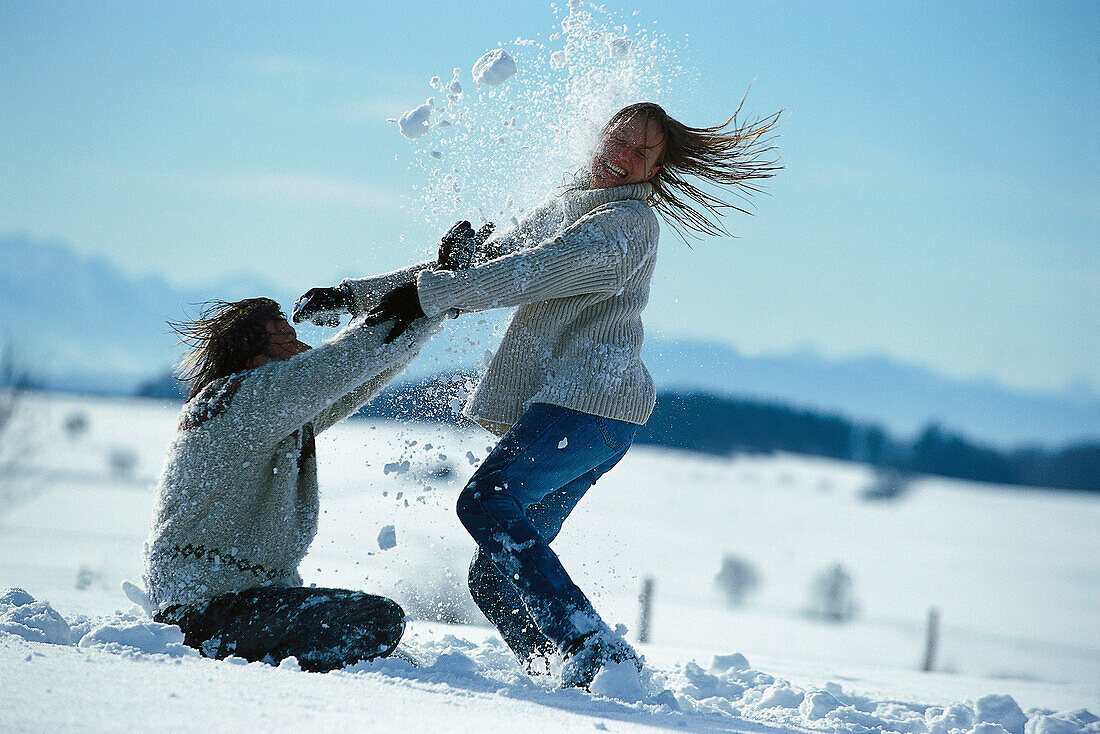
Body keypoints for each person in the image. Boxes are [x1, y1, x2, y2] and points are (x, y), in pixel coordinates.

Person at [296, 100, 781, 687]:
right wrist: (358, 295)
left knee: (484, 504)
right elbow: (485, 263)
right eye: (617, 138)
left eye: (640, 151)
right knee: (494, 573)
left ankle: (591, 646)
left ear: (656, 170)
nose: (620, 155)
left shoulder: (625, 227)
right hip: (594, 417)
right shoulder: (572, 209)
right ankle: (561, 675)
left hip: (588, 404)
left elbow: (534, 272)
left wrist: (435, 294)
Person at [142, 276, 453, 671]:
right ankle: (277, 672)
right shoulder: (249, 396)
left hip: (220, 602)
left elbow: (360, 374)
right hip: (206, 612)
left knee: (374, 629)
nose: (303, 347)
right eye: (286, 340)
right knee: (376, 622)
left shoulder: (259, 408)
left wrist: (434, 304)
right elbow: (341, 363)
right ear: (255, 360)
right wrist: (418, 301)